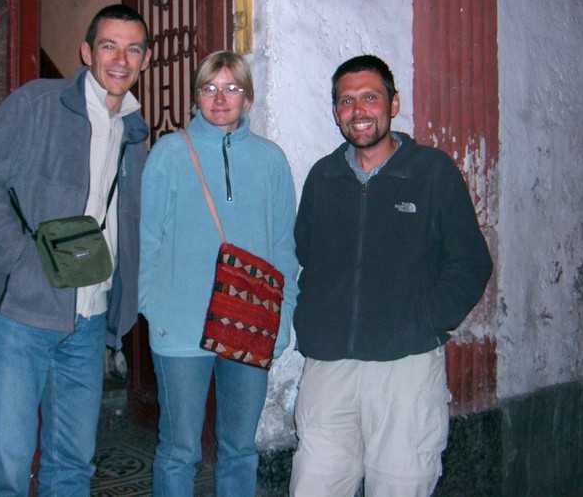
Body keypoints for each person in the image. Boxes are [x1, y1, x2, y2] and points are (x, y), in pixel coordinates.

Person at [0, 4, 152, 496]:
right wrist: (21, 262)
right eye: (109, 45)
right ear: (86, 52)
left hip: (88, 322)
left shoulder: (134, 133)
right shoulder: (37, 104)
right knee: (7, 470)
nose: (120, 59)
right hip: (21, 315)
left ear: (145, 60)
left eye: (133, 49)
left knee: (73, 467)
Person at [290, 54, 493, 497]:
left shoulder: (431, 172)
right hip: (330, 365)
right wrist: (313, 320)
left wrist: (425, 319)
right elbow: (307, 253)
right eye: (346, 101)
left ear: (393, 104)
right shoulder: (324, 176)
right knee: (314, 484)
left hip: (405, 365)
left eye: (370, 97)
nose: (358, 111)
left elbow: (471, 262)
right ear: (336, 112)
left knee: (401, 484)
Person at [138, 50, 299, 496]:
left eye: (232, 88)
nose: (220, 99)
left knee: (240, 450)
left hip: (251, 323)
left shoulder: (270, 160)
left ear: (248, 97)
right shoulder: (169, 155)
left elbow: (284, 247)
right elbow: (147, 241)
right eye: (209, 88)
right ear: (196, 97)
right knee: (179, 451)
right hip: (180, 329)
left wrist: (281, 320)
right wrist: (154, 309)